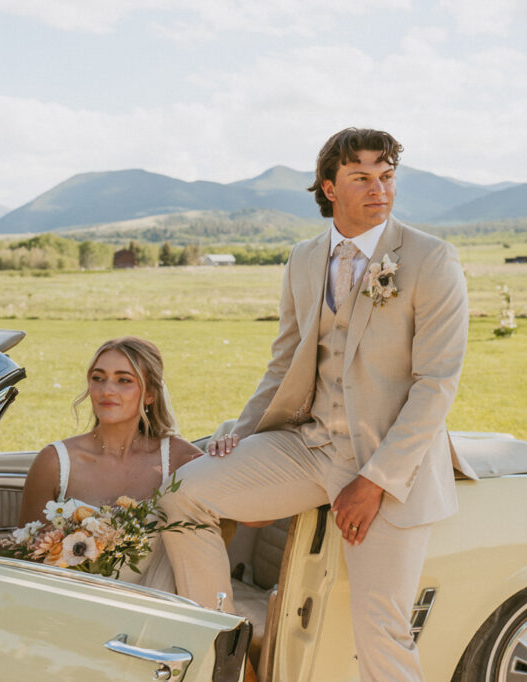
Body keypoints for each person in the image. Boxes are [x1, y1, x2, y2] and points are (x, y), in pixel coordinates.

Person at [160, 127, 476, 681]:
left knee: (381, 627)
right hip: (308, 445)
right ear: (329, 187)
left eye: (387, 175)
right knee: (184, 495)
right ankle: (224, 653)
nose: (379, 188)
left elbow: (436, 384)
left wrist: (374, 481)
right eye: (361, 177)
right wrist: (243, 431)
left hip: (388, 464)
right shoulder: (304, 260)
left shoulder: (431, 259)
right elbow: (284, 361)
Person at [19, 336, 200, 590]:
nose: (106, 391)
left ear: (149, 395)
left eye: (123, 380)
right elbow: (26, 556)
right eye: (98, 378)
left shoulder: (180, 459)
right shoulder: (54, 462)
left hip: (153, 615)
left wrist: (224, 450)